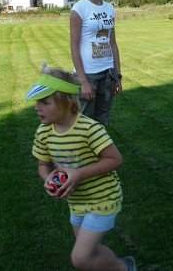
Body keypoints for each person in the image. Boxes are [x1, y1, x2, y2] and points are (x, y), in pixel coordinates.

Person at [28, 65, 135, 271]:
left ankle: (123, 268)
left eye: (44, 102)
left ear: (67, 102)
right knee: (88, 252)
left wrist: (78, 174)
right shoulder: (43, 132)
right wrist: (48, 178)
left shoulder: (89, 129)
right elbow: (43, 164)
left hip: (103, 199)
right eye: (36, 102)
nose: (37, 107)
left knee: (80, 258)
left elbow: (115, 159)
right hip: (77, 202)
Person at [70, 0, 122, 126]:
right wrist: (83, 81)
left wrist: (117, 76)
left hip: (107, 74)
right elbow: (74, 47)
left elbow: (113, 43)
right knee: (84, 123)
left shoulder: (109, 9)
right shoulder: (79, 9)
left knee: (102, 122)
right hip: (88, 74)